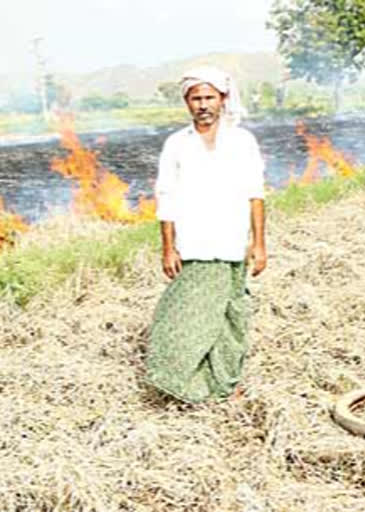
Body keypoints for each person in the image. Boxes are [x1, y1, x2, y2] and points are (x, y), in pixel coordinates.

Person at [145, 66, 267, 403]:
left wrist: (259, 243)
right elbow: (166, 197)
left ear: (223, 99)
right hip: (194, 244)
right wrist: (168, 248)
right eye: (196, 98)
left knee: (232, 316)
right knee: (183, 316)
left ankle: (224, 384)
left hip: (231, 242)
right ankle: (181, 383)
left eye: (209, 97)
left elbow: (255, 194)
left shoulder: (242, 142)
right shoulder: (176, 145)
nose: (203, 104)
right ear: (186, 102)